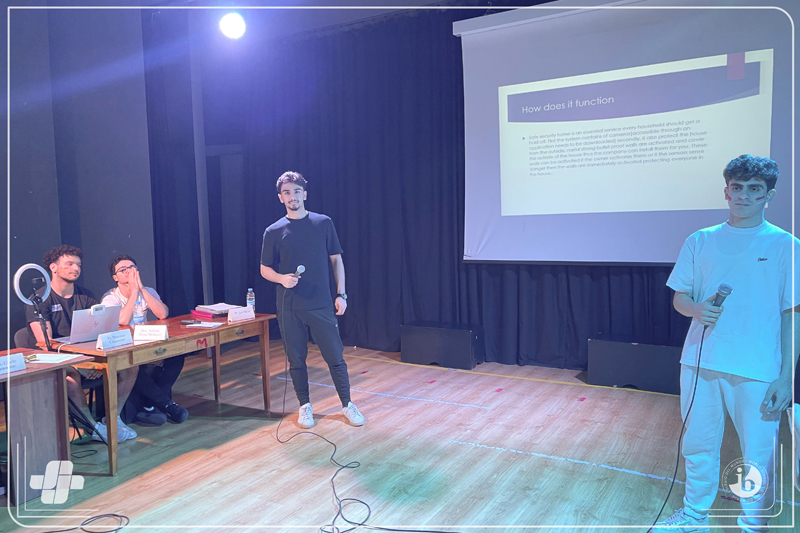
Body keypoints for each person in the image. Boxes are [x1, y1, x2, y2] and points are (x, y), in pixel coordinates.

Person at [657, 155, 799, 533]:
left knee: (758, 454)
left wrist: (786, 377)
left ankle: (753, 524)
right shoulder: (700, 240)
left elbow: (793, 315)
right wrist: (696, 309)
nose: (744, 196)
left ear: (769, 195)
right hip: (700, 361)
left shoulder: (786, 245)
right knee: (698, 445)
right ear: (726, 191)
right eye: (737, 188)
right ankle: (693, 516)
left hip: (758, 368)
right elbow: (680, 297)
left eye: (754, 189)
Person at [260, 171, 364, 429]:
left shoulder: (323, 223)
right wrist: (281, 279)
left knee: (335, 356)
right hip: (289, 306)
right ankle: (305, 406)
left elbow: (336, 260)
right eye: (286, 193)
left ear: (304, 194)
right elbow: (264, 269)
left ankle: (347, 404)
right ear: (280, 197)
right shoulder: (273, 231)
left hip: (320, 303)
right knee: (296, 359)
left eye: (296, 191)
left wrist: (341, 294)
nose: (292, 196)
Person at [25, 245, 139, 443]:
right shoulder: (38, 300)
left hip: (86, 355)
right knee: (70, 376)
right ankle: (92, 428)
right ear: (53, 267)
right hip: (55, 360)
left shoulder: (85, 296)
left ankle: (113, 419)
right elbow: (45, 343)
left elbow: (101, 330)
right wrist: (79, 364)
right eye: (69, 264)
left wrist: (94, 360)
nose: (75, 268)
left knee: (130, 365)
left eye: (78, 264)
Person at [101, 254, 188, 425]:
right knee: (133, 366)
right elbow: (123, 320)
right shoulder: (110, 297)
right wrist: (133, 292)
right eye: (123, 270)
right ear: (115, 277)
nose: (129, 272)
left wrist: (141, 288)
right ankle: (166, 404)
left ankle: (151, 403)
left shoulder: (147, 291)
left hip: (146, 344)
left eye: (132, 267)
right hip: (124, 348)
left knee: (177, 356)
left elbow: (163, 314)